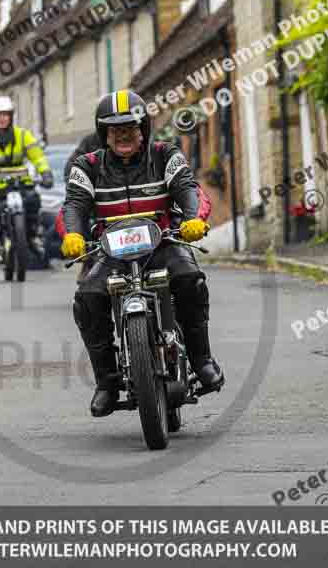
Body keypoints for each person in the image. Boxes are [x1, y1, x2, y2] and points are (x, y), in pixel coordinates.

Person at [61, 89, 224, 417]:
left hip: (163, 242)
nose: (123, 135)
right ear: (103, 133)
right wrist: (73, 235)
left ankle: (202, 360)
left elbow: (189, 190)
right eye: (114, 130)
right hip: (112, 253)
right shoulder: (87, 165)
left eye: (130, 128)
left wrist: (192, 220)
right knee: (88, 298)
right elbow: (74, 206)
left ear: (144, 130)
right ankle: (107, 383)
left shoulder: (166, 154)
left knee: (191, 279)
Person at [0, 96, 54, 261]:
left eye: (5, 115)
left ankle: (33, 237)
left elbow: (38, 157)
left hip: (21, 182)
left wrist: (46, 173)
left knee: (33, 199)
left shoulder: (23, 136)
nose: (2, 119)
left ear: (11, 116)